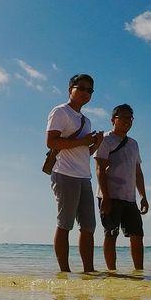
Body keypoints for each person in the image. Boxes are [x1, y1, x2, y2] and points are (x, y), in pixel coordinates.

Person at [45, 74, 103, 272]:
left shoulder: (85, 120)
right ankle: (65, 272)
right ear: (70, 89)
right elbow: (51, 142)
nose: (86, 93)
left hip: (84, 176)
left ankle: (89, 271)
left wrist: (95, 144)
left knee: (89, 227)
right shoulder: (60, 111)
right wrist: (83, 141)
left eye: (90, 90)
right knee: (65, 224)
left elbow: (83, 152)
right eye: (82, 88)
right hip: (64, 173)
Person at [94, 103, 149, 271]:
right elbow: (99, 169)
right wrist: (106, 196)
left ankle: (139, 273)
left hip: (129, 198)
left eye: (130, 118)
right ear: (113, 120)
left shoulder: (133, 144)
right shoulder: (105, 139)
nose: (127, 121)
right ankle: (112, 273)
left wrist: (143, 196)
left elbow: (137, 172)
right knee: (111, 234)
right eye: (123, 117)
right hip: (110, 195)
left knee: (137, 235)